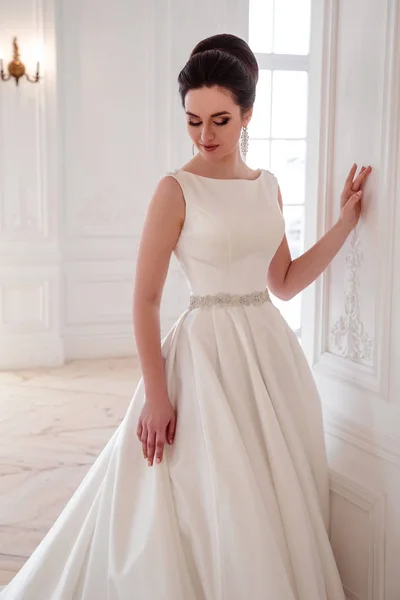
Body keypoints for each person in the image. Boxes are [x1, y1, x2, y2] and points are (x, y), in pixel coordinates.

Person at [1, 33, 372, 600]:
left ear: (248, 113)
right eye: (193, 120)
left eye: (221, 120)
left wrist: (345, 223)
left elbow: (285, 282)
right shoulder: (175, 190)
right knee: (207, 498)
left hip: (270, 359)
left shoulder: (267, 188)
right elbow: (145, 299)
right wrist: (156, 394)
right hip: (202, 357)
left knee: (269, 495)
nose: (206, 136)